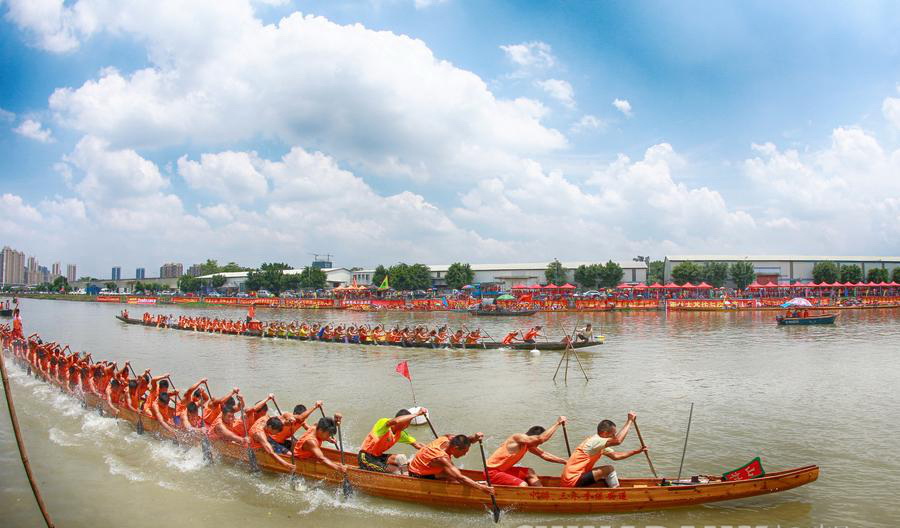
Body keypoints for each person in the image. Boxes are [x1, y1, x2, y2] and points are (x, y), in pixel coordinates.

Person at [559, 412, 647, 488]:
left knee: (606, 471)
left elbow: (616, 456)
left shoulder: (600, 444)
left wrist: (637, 451)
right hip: (572, 479)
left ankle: (612, 488)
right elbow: (618, 441)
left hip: (572, 478)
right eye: (613, 434)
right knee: (609, 468)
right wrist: (629, 421)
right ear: (604, 433)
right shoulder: (596, 441)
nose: (614, 436)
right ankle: (616, 491)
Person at [485, 417, 569, 487]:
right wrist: (557, 423)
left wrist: (564, 461)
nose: (537, 445)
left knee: (530, 472)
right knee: (523, 485)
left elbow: (543, 454)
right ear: (533, 437)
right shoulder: (517, 438)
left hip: (503, 471)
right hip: (491, 473)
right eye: (537, 443)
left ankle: (540, 493)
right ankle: (522, 504)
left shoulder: (527, 445)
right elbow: (541, 439)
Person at [407, 433, 494, 496]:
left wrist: (475, 437)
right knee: (455, 479)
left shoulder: (448, 438)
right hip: (417, 474)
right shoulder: (442, 458)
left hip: (423, 465)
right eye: (464, 452)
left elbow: (466, 440)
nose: (465, 454)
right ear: (455, 448)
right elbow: (460, 478)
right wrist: (481, 488)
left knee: (454, 473)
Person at [358, 408, 428, 474]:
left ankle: (406, 478)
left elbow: (417, 444)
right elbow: (396, 421)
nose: (408, 426)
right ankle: (402, 479)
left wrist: (433, 450)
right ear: (402, 421)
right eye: (408, 422)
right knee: (396, 471)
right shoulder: (383, 423)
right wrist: (417, 414)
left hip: (379, 457)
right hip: (366, 457)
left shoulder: (400, 433)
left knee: (401, 458)